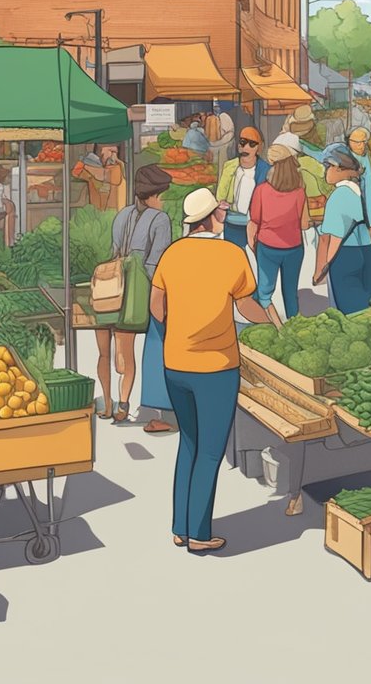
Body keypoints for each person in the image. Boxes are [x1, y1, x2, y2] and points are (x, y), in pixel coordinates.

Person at [151, 188, 268, 554]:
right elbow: (247, 305)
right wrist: (273, 326)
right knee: (211, 452)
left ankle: (179, 527)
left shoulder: (172, 255)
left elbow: (157, 307)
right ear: (213, 217)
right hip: (216, 368)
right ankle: (200, 534)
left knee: (189, 442)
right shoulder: (230, 255)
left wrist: (181, 328)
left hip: (176, 365)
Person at [97, 165, 174, 426]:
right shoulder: (160, 220)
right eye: (162, 195)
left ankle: (118, 403)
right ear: (152, 195)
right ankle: (137, 404)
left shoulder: (122, 215)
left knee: (121, 350)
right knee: (153, 346)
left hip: (114, 292)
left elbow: (114, 251)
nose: (163, 201)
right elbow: (155, 265)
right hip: (140, 294)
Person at [314, 147, 371, 314]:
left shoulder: (338, 196)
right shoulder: (361, 191)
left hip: (346, 257)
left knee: (349, 315)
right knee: (368, 311)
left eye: (327, 165)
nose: (325, 171)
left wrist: (320, 270)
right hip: (368, 252)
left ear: (338, 167)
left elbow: (329, 239)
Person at [249, 144, 309, 326]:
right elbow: (305, 224)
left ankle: (272, 327)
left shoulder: (261, 190)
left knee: (264, 293)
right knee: (290, 293)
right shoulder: (299, 191)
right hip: (294, 248)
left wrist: (253, 245)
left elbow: (254, 222)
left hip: (267, 247)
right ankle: (295, 329)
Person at [339, 134, 371, 297]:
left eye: (363, 141)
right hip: (355, 218)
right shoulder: (345, 160)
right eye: (357, 142)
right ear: (349, 142)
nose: (361, 145)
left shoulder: (370, 158)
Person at [215, 126, 271, 249]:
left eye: (252, 144)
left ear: (259, 148)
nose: (246, 147)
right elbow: (220, 195)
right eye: (242, 142)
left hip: (256, 226)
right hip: (232, 223)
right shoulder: (229, 167)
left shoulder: (266, 170)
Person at [73, 143, 126, 210]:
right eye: (111, 151)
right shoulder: (94, 167)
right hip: (97, 212)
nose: (113, 155)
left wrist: (85, 166)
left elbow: (104, 175)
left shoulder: (118, 167)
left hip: (114, 214)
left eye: (114, 152)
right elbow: (76, 171)